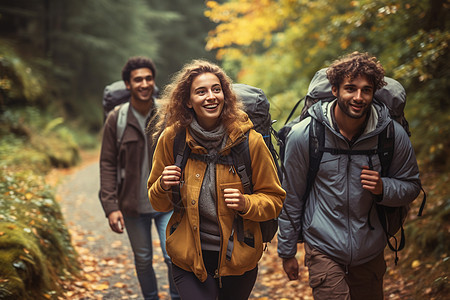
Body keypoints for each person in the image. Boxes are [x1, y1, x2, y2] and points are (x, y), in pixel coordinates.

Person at [277, 52, 422, 299]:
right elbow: (291, 196)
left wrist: (383, 188)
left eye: (366, 90)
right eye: (350, 89)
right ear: (335, 90)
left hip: (370, 248)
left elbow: (411, 186)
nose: (358, 97)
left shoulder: (391, 135)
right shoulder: (305, 136)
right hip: (322, 246)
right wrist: (287, 251)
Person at [147, 59, 285, 300]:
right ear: (188, 101)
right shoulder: (173, 139)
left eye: (216, 89)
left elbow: (275, 200)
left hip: (238, 258)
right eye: (201, 92)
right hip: (188, 257)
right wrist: (162, 185)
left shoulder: (250, 142)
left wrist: (246, 204)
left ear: (225, 95)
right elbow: (158, 203)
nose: (211, 97)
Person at [99, 56, 179, 300]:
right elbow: (107, 164)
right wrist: (111, 207)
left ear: (153, 82)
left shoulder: (168, 113)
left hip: (167, 203)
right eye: (137, 80)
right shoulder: (117, 118)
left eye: (148, 78)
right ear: (127, 84)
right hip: (133, 206)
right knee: (143, 260)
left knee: (173, 256)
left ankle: (178, 297)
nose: (144, 84)